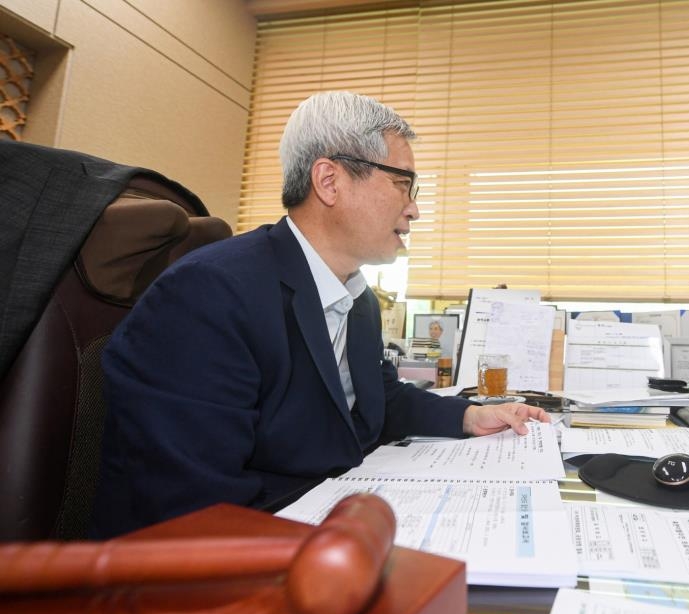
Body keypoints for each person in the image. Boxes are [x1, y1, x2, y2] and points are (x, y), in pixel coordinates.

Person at [91, 92, 550, 538]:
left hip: (320, 516)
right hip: (210, 565)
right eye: (401, 183)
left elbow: (378, 397)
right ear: (329, 181)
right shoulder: (209, 292)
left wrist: (469, 416)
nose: (414, 208)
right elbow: (192, 500)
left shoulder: (358, 299)